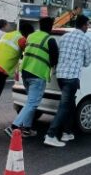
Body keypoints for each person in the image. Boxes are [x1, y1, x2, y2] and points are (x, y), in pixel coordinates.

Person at [40, 15, 91, 147]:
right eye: (88, 25)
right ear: (84, 25)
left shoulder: (64, 37)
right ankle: (50, 135)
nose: (88, 27)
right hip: (72, 77)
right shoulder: (86, 39)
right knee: (64, 106)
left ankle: (67, 132)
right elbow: (87, 62)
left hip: (60, 76)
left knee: (70, 104)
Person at [8, 17, 59, 145]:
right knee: (32, 103)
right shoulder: (50, 40)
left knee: (30, 102)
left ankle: (26, 129)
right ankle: (14, 126)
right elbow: (55, 60)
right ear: (51, 27)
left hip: (25, 71)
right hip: (37, 73)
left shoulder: (31, 36)